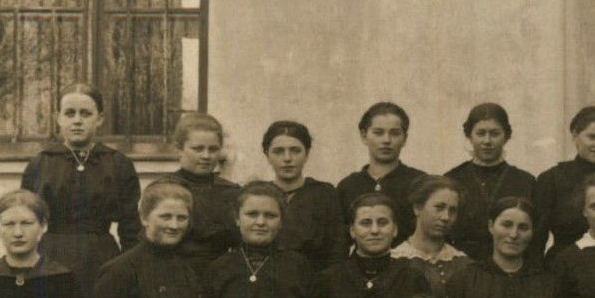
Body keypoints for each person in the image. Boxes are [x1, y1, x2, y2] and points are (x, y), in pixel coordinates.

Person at [20, 83, 141, 298]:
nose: (77, 120)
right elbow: (25, 221)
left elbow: (131, 227)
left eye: (85, 114)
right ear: (58, 118)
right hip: (51, 256)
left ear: (100, 119)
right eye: (70, 113)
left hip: (102, 259)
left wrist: (128, 271)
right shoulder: (40, 163)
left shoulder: (118, 164)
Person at [532, 105, 595, 259]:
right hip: (562, 266)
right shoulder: (551, 179)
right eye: (592, 137)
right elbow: (537, 238)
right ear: (575, 135)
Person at [445, 103, 537, 265]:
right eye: (480, 133)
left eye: (494, 134)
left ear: (506, 136)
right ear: (469, 135)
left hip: (511, 265)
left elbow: (534, 232)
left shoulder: (525, 181)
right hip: (462, 265)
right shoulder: (452, 179)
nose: (487, 141)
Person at [158, 112, 242, 274]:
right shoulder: (163, 189)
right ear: (179, 149)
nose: (206, 156)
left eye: (213, 149)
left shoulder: (231, 193)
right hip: (173, 272)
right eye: (197, 149)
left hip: (221, 275)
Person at [336, 102, 429, 249]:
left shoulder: (421, 183)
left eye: (395, 133)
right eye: (378, 132)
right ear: (364, 135)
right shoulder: (348, 186)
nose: (386, 140)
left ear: (404, 138)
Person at [262, 120, 347, 271]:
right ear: (267, 155)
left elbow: (337, 252)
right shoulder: (258, 195)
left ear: (307, 154)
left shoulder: (325, 195)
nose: (287, 158)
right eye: (278, 151)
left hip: (313, 285)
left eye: (295, 150)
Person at [392, 174, 472, 298]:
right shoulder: (394, 261)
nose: (446, 217)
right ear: (417, 208)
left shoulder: (464, 264)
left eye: (452, 210)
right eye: (439, 208)